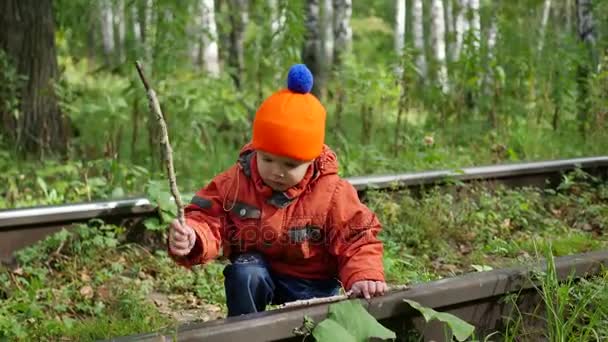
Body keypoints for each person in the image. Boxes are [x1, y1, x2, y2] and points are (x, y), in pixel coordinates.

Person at [167, 64, 387, 317]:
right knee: (244, 272)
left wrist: (364, 273)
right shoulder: (236, 182)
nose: (277, 171)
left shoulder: (332, 192)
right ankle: (246, 332)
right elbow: (208, 215)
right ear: (257, 150)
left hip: (311, 280)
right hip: (259, 271)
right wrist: (194, 235)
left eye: (290, 165)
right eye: (268, 159)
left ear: (311, 160)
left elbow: (357, 235)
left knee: (313, 324)